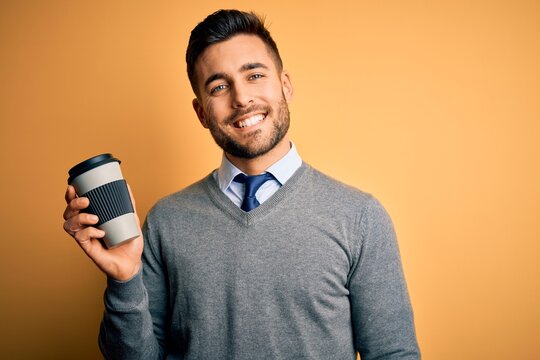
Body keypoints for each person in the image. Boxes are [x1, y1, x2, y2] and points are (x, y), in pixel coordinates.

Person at [62, 9, 420, 360]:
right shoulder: (165, 221)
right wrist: (125, 279)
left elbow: (394, 353)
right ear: (201, 112)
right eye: (219, 86)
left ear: (285, 85)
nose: (241, 98)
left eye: (254, 76)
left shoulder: (359, 217)